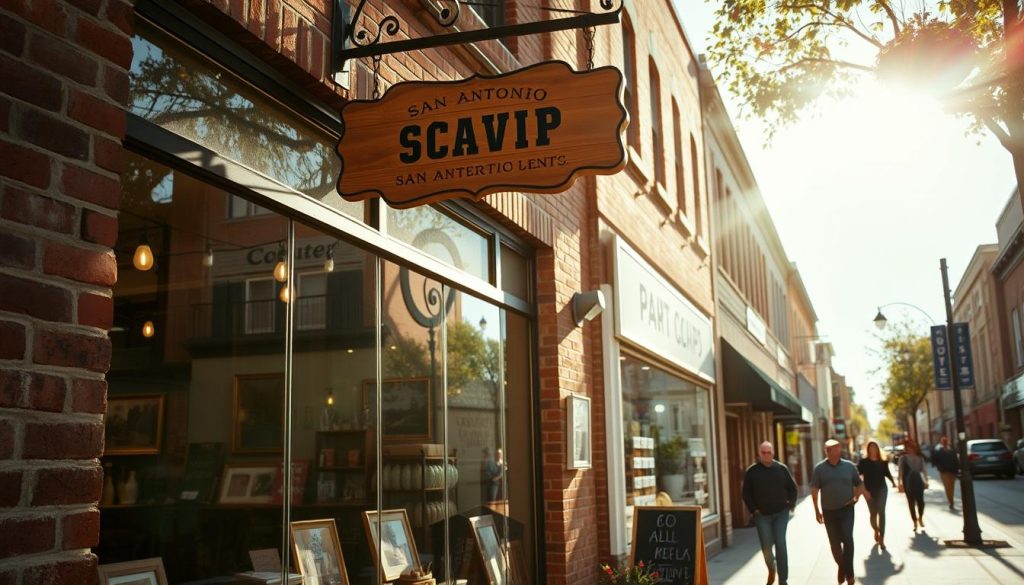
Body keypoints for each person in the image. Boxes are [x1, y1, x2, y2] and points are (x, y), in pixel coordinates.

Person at [812, 439, 869, 585]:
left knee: (848, 538)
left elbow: (860, 484)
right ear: (826, 451)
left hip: (847, 509)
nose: (836, 450)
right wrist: (817, 510)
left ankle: (849, 574)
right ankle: (842, 567)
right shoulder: (819, 469)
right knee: (835, 543)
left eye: (837, 447)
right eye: (831, 448)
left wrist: (856, 497)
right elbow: (815, 490)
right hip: (828, 511)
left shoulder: (849, 466)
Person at [742, 441, 798, 585]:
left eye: (769, 452)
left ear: (773, 453)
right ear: (759, 454)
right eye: (763, 452)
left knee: (780, 544)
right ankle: (772, 569)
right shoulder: (752, 471)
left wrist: (791, 505)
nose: (766, 455)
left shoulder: (782, 469)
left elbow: (793, 489)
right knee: (766, 548)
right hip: (762, 516)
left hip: (781, 513)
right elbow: (746, 493)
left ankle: (783, 580)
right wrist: (754, 510)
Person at [857, 440, 896, 549]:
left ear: (877, 449)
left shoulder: (883, 462)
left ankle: (882, 539)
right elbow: (857, 476)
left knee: (882, 512)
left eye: (874, 448)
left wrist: (894, 482)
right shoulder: (864, 462)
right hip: (869, 491)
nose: (873, 450)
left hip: (882, 489)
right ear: (868, 450)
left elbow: (887, 473)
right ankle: (876, 530)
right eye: (871, 448)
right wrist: (863, 490)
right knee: (873, 514)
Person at [899, 438, 929, 530]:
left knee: (921, 502)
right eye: (908, 448)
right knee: (911, 502)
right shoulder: (903, 458)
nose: (910, 449)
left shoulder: (920, 458)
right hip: (907, 482)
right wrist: (899, 483)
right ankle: (914, 521)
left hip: (918, 481)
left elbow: (924, 470)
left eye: (912, 447)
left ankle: (920, 517)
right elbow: (900, 471)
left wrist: (926, 481)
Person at [931, 435, 960, 509]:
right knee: (947, 487)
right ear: (942, 443)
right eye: (943, 442)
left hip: (953, 472)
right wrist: (939, 467)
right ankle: (951, 502)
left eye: (946, 442)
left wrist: (957, 470)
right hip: (944, 472)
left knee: (952, 487)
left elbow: (956, 461)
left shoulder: (952, 451)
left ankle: (951, 500)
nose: (945, 443)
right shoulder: (939, 451)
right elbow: (935, 460)